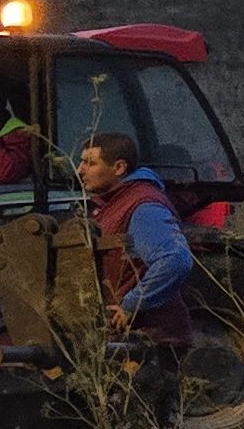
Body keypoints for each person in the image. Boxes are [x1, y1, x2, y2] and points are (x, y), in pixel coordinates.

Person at [75, 130, 197, 349]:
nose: (80, 170)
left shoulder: (143, 206)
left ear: (119, 168)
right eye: (81, 162)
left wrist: (132, 304)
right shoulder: (111, 203)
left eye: (90, 163)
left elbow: (175, 259)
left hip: (149, 346)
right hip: (125, 343)